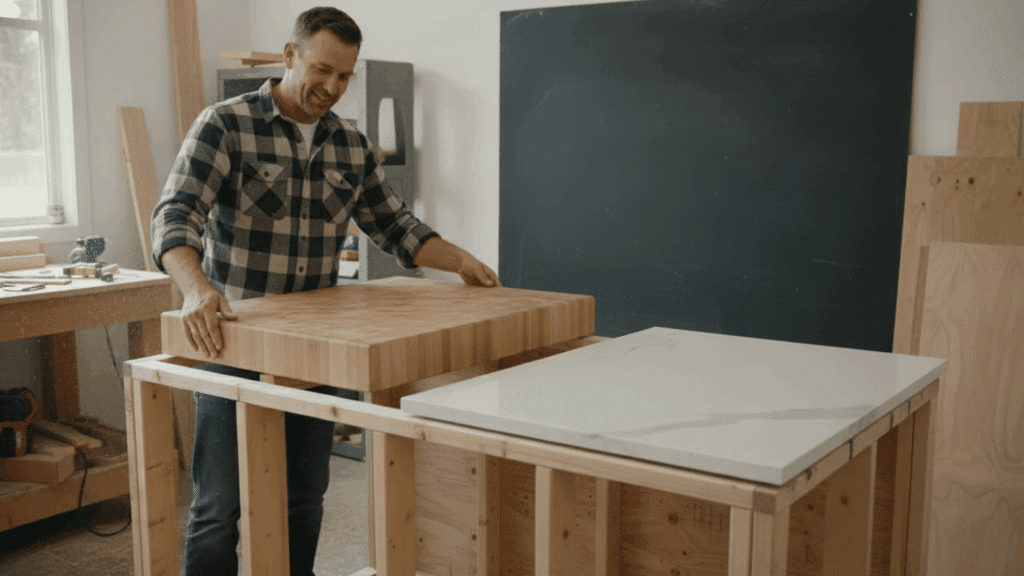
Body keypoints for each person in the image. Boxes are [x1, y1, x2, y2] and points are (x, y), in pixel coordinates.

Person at [150, 7, 500, 576]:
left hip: (312, 351)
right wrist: (194, 289)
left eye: (345, 76)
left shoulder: (351, 146)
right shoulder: (225, 125)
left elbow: (396, 226)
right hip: (232, 344)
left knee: (302, 498)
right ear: (289, 56)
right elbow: (175, 215)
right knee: (219, 508)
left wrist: (459, 260)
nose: (332, 88)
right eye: (322, 70)